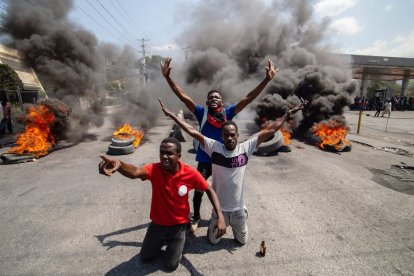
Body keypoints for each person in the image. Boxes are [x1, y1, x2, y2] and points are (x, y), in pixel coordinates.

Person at [158, 98, 305, 245]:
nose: (229, 138)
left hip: (238, 210)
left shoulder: (246, 148)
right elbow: (192, 131)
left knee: (242, 241)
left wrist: (288, 113)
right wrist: (172, 115)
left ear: (237, 136)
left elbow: (271, 129)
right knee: (213, 241)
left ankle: (242, 218)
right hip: (220, 211)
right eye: (226, 135)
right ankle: (217, 221)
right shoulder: (213, 147)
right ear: (222, 137)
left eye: (232, 135)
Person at [160, 57, 277, 232]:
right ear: (207, 103)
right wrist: (168, 78)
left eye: (217, 97)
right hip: (207, 159)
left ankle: (234, 213)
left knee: (228, 190)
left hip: (225, 159)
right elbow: (183, 97)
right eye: (211, 97)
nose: (214, 99)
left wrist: (266, 80)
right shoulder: (202, 113)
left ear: (222, 102)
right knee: (199, 190)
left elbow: (248, 98)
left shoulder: (228, 113)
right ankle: (196, 217)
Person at [98, 137, 226, 272]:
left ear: (179, 156)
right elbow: (135, 172)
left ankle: (182, 236)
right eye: (162, 152)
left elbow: (209, 190)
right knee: (145, 258)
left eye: (169, 153)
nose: (164, 157)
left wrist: (220, 217)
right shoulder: (154, 169)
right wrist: (119, 165)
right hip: (158, 223)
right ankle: (165, 240)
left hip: (178, 225)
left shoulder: (190, 173)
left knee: (170, 266)